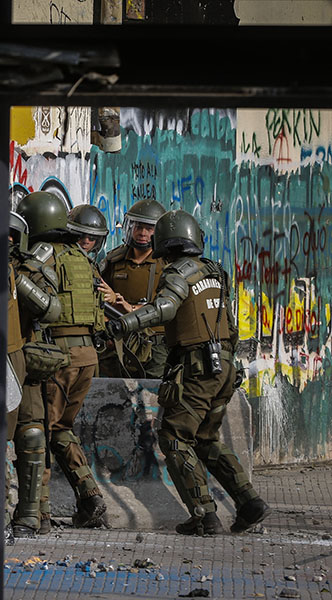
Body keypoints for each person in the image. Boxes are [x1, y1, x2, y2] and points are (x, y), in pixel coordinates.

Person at [106, 209, 270, 535]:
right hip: (222, 366)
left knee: (175, 437)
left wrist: (123, 323)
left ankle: (203, 516)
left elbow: (165, 308)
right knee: (205, 439)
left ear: (164, 241)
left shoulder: (177, 273)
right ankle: (249, 502)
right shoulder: (215, 271)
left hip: (195, 366)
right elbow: (229, 323)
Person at [15, 191, 108, 529]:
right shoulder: (81, 257)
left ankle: (39, 512)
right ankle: (90, 496)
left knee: (38, 429)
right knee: (61, 429)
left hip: (58, 355)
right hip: (87, 355)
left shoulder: (44, 254)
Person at [9, 206, 66, 537]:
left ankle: (30, 513)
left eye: (10, 236)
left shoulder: (29, 269)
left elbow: (52, 310)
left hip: (23, 361)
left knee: (31, 435)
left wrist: (17, 280)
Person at [99, 199, 168, 378]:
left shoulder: (167, 263)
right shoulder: (114, 260)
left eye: (149, 228)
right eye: (138, 227)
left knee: (153, 394)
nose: (142, 233)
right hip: (120, 339)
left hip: (155, 341)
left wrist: (133, 309)